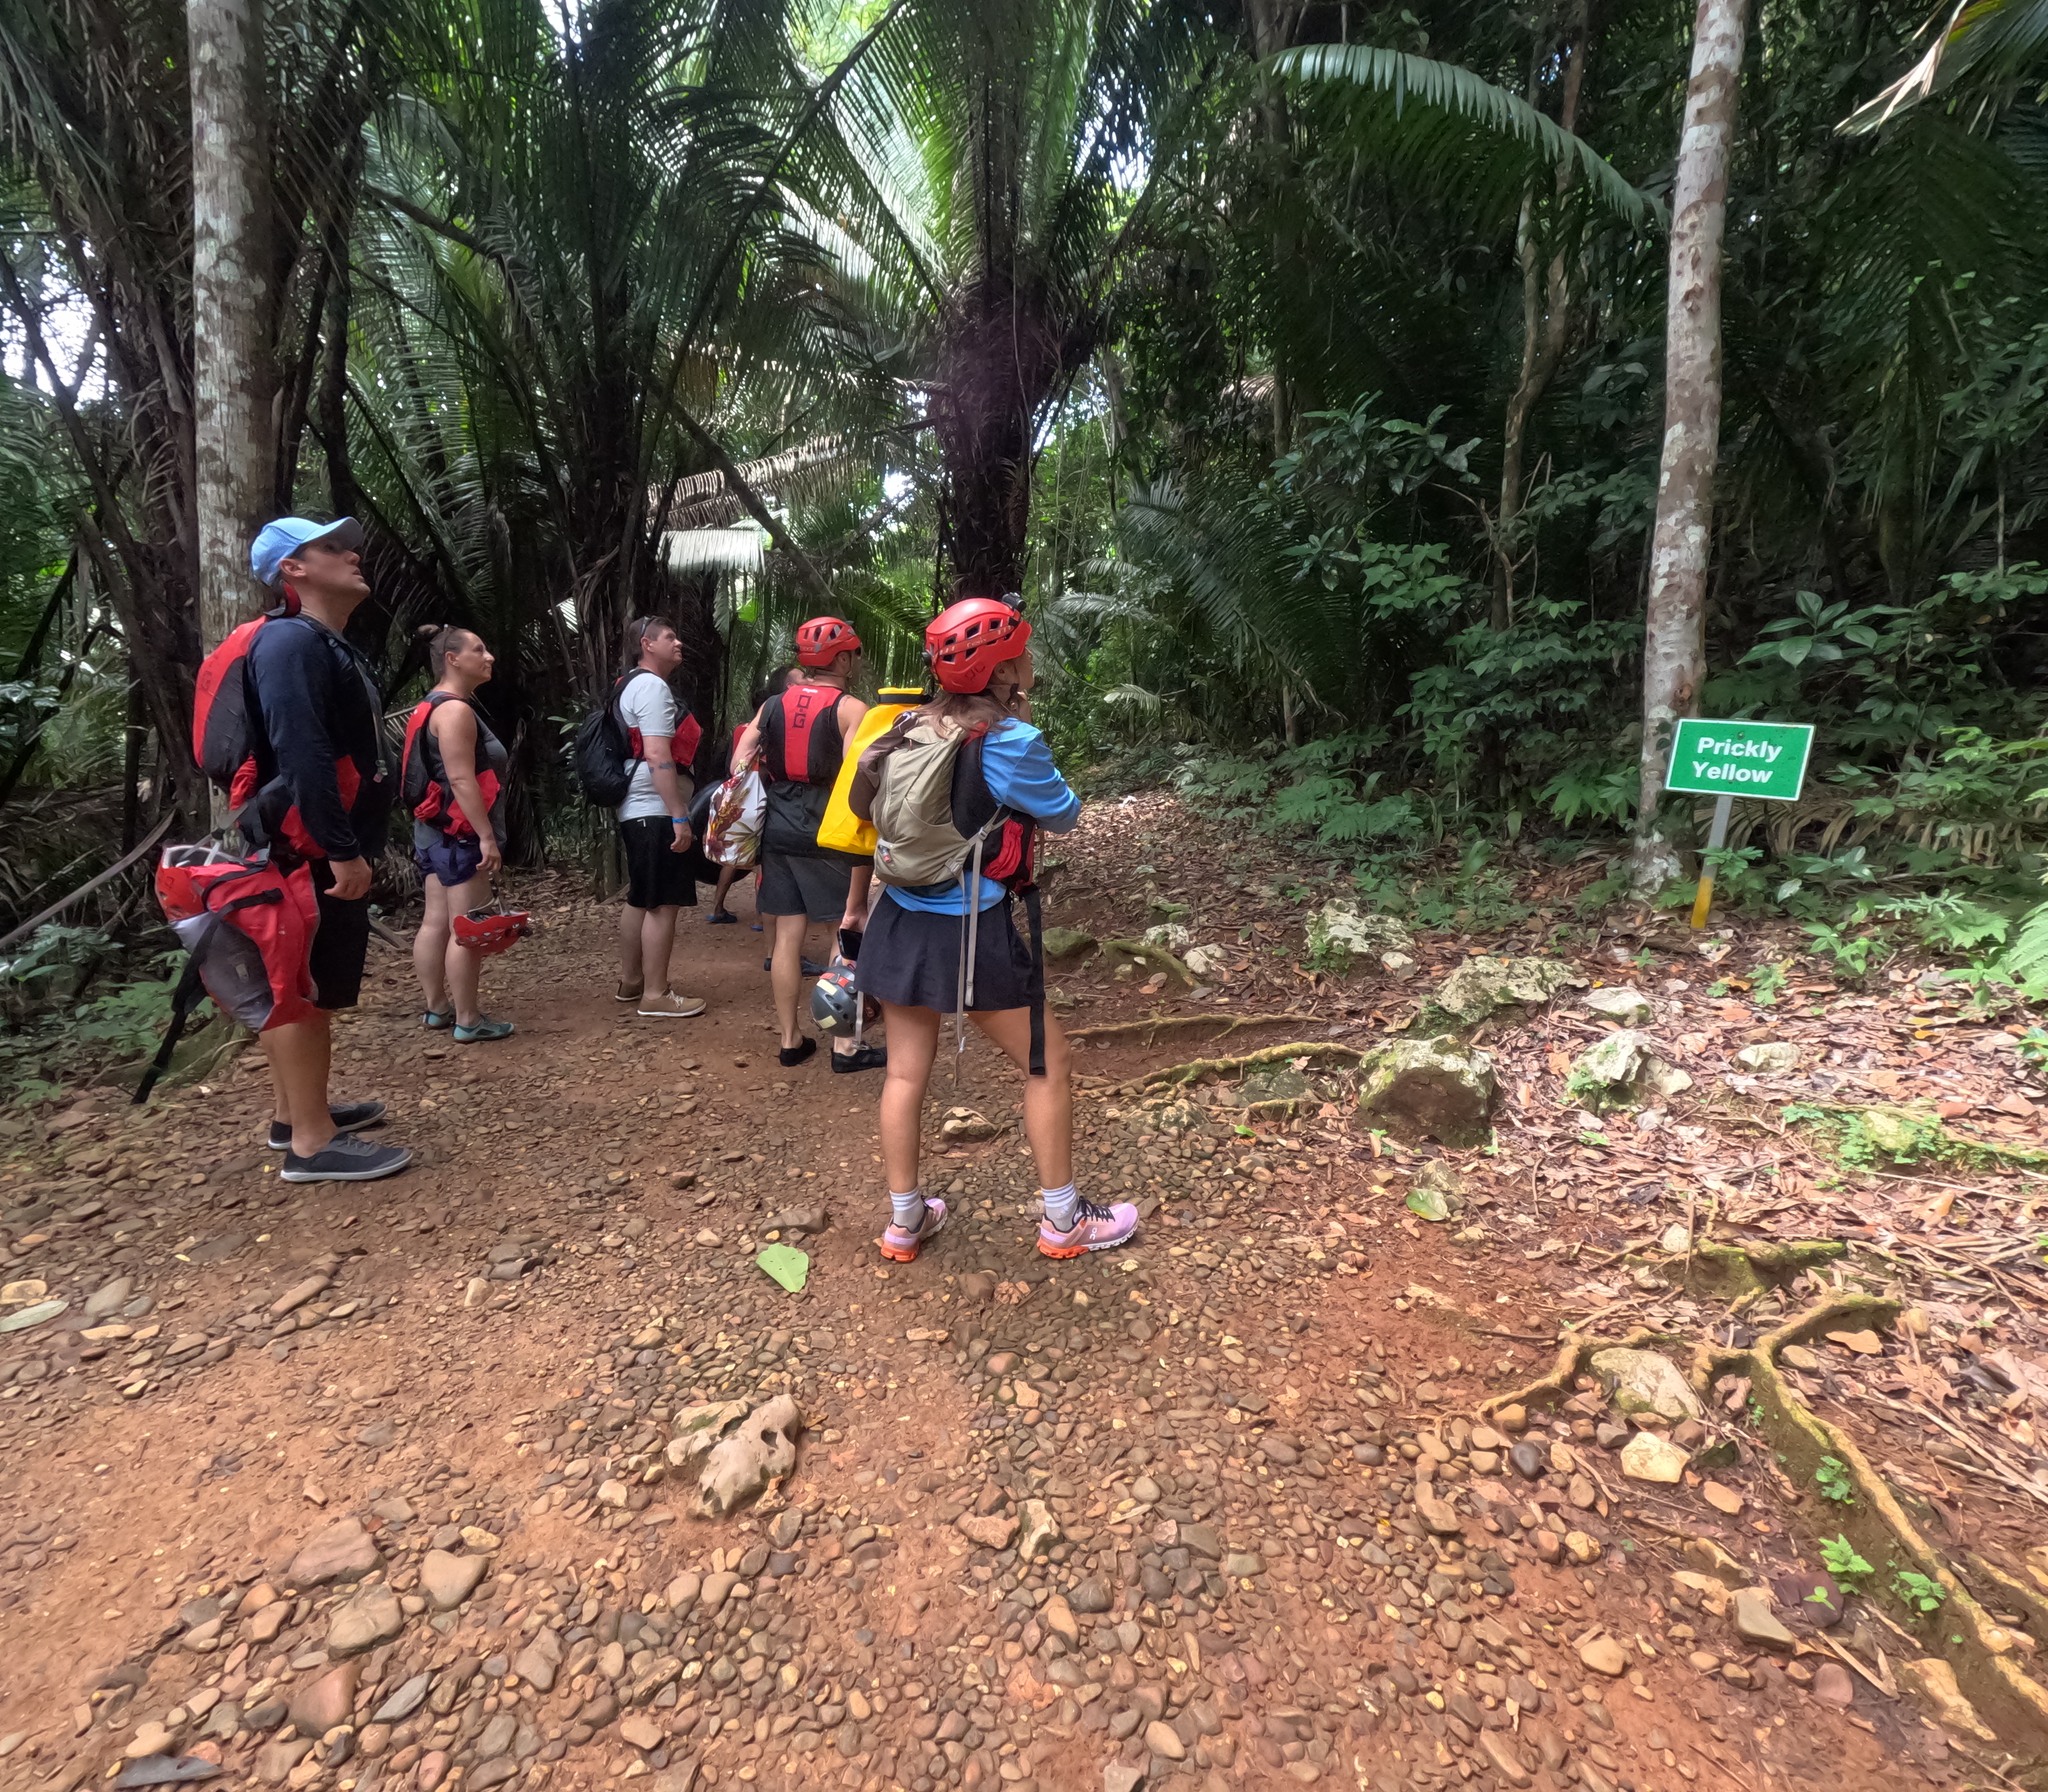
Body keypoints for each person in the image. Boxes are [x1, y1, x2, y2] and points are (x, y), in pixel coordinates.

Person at [851, 596, 1136, 1263]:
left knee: (902, 1075)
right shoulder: (1009, 741)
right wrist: (1025, 725)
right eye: (1024, 649)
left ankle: (904, 1222)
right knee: (1049, 1062)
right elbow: (1063, 813)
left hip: (899, 917)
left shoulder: (904, 727)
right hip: (969, 936)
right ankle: (1064, 1221)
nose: (1030, 658)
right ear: (1006, 667)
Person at [243, 515, 411, 1183]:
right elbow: (303, 750)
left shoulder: (321, 642)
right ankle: (311, 1146)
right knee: (299, 988)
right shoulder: (289, 642)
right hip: (307, 845)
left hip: (317, 840)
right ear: (294, 570)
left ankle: (296, 1114)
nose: (352, 552)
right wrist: (341, 849)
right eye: (331, 546)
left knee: (305, 982)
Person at [732, 618, 884, 1072]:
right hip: (830, 829)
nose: (856, 661)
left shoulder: (773, 705)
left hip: (777, 827)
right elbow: (863, 774)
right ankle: (845, 1047)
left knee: (787, 935)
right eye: (854, 653)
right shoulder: (851, 708)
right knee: (845, 927)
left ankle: (790, 1040)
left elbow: (742, 757)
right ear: (841, 659)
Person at [406, 625, 514, 1043]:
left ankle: (437, 1009)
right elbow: (461, 778)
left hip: (431, 831)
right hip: (460, 833)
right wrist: (487, 837)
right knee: (465, 927)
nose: (488, 657)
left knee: (435, 920)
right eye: (479, 649)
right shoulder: (455, 710)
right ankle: (468, 1019)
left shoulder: (427, 706)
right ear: (452, 659)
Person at [614, 616, 707, 1018]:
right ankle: (656, 994)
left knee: (641, 896)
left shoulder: (628, 683)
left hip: (636, 808)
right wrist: (678, 815)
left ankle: (632, 981)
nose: (679, 642)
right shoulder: (652, 686)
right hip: (654, 808)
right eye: (670, 637)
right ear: (646, 644)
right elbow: (657, 754)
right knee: (662, 903)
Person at [707, 664, 796, 927]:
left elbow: (733, 761)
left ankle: (717, 906)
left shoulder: (740, 730)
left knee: (735, 852)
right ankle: (761, 917)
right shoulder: (769, 728)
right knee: (764, 858)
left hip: (739, 794)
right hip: (761, 791)